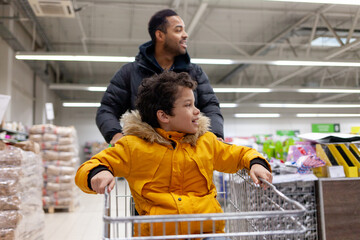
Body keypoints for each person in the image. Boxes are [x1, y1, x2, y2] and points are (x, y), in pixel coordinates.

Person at [76, 71, 272, 238]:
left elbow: (239, 154)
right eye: (188, 105)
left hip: (207, 233)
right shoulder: (133, 147)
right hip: (158, 235)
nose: (197, 111)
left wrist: (256, 163)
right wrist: (99, 172)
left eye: (194, 104)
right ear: (164, 116)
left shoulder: (206, 142)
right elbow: (91, 166)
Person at [96, 8, 224, 146]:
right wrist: (116, 135)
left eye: (184, 30)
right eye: (178, 30)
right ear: (160, 35)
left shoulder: (194, 72)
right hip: (145, 155)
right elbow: (107, 109)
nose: (185, 35)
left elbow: (211, 106)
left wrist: (215, 135)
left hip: (187, 154)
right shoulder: (130, 72)